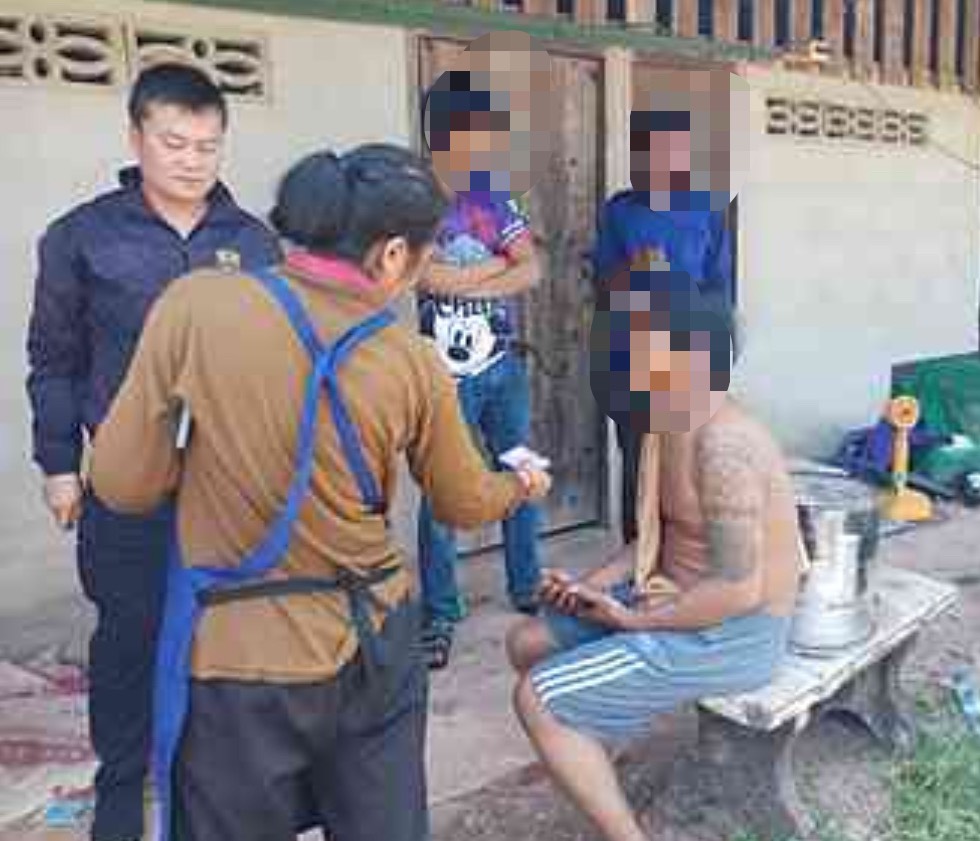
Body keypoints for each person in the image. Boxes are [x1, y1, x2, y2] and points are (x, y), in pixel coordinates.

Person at [88, 143, 553, 841]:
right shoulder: (409, 360)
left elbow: (123, 485)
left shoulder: (197, 305)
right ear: (391, 255)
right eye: (424, 257)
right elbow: (463, 502)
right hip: (370, 647)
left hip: (234, 659)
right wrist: (520, 483)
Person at [24, 62, 280, 841]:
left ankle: (208, 783)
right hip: (127, 480)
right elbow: (53, 361)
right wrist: (59, 465)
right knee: (129, 636)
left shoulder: (252, 242)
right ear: (136, 138)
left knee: (223, 633)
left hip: (226, 484)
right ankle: (122, 788)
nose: (192, 160)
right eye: (174, 142)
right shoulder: (82, 237)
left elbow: (274, 364)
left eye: (207, 145)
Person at [507, 268, 799, 841]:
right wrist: (589, 587)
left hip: (733, 634)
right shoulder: (666, 423)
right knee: (528, 641)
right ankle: (587, 748)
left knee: (537, 697)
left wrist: (634, 620)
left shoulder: (726, 445)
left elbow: (738, 589)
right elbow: (656, 540)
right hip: (670, 596)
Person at [417, 79, 546, 670]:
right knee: (441, 492)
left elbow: (531, 270)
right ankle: (440, 612)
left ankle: (528, 585)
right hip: (441, 376)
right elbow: (423, 277)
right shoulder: (416, 200)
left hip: (502, 366)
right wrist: (494, 268)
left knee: (521, 470)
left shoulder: (493, 197)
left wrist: (464, 278)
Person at [594, 107, 735, 546]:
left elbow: (721, 290)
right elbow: (603, 285)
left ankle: (680, 560)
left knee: (687, 468)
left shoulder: (708, 209)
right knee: (638, 467)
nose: (659, 163)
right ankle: (636, 561)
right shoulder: (621, 211)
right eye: (649, 153)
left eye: (670, 152)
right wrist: (633, 270)